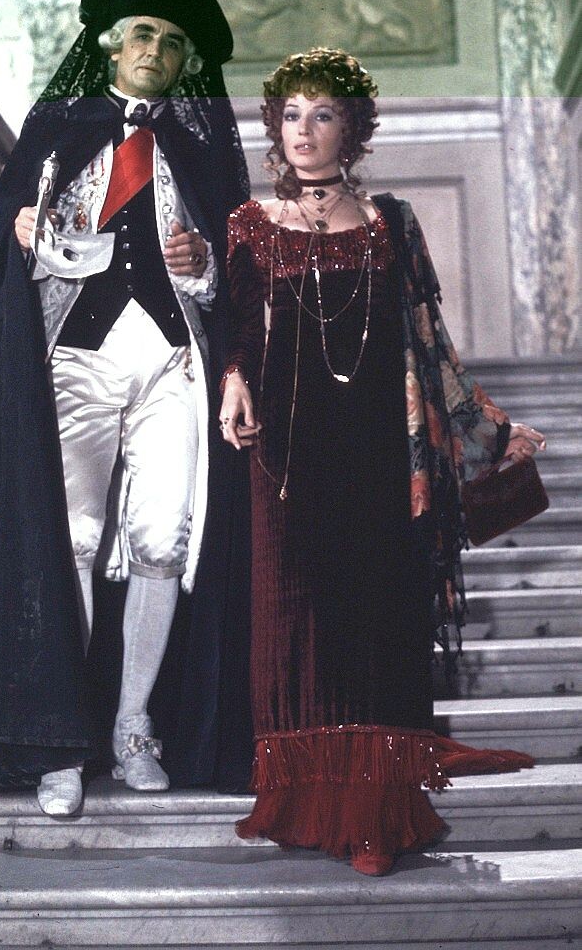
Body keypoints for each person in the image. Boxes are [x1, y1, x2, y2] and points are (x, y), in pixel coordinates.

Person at [0, 0, 253, 814]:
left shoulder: (201, 145)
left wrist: (205, 263)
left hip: (172, 360)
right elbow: (0, 249)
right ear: (110, 44)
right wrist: (23, 232)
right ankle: (59, 741)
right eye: (143, 34)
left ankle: (134, 727)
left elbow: (238, 270)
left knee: (164, 538)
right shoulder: (60, 128)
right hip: (78, 359)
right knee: (71, 537)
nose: (157, 49)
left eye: (173, 42)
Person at [219, 48, 545, 876]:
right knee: (296, 621)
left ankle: (377, 812)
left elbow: (430, 341)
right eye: (291, 115)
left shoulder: (391, 222)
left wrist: (488, 426)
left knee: (374, 623)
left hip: (378, 453)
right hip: (286, 456)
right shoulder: (250, 224)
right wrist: (232, 382)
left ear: (353, 129)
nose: (304, 130)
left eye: (323, 113)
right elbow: (240, 330)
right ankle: (305, 799)